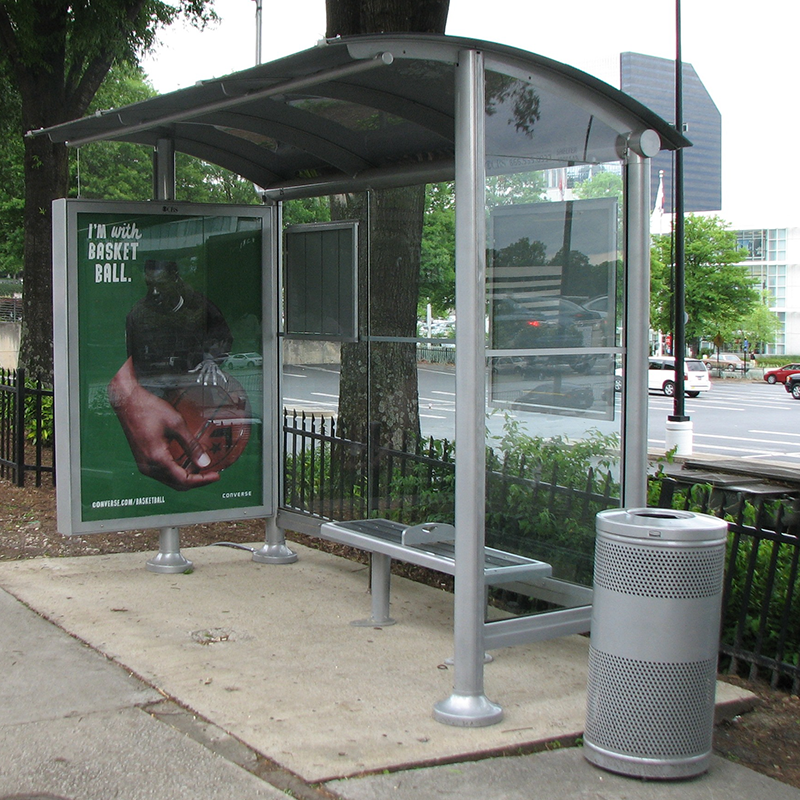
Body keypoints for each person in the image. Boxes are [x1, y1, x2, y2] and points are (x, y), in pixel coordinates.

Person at [108, 259, 235, 491]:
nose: (155, 292)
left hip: (194, 391)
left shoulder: (199, 306)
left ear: (175, 278)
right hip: (156, 390)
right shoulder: (138, 313)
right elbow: (130, 358)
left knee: (197, 438)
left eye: (161, 284)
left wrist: (211, 359)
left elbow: (222, 336)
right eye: (149, 285)